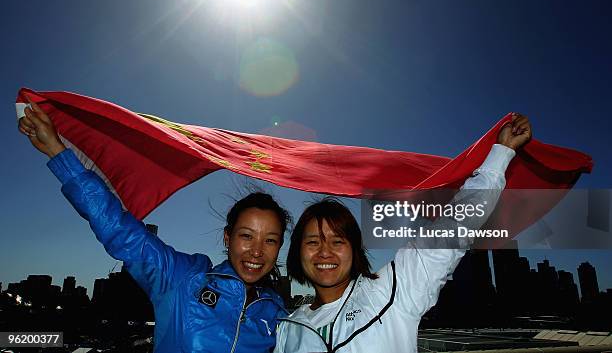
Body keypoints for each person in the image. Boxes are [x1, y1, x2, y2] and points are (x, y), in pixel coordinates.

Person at [18, 100, 291, 353]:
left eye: (270, 240)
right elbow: (122, 231)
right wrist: (57, 151)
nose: (257, 251)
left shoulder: (277, 315)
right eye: (246, 236)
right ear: (227, 238)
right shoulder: (184, 279)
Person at [275, 114, 532, 353]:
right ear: (298, 251)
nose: (324, 251)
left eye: (337, 240)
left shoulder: (393, 290)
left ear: (355, 249)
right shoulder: (287, 328)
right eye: (312, 241)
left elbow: (455, 225)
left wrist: (501, 153)